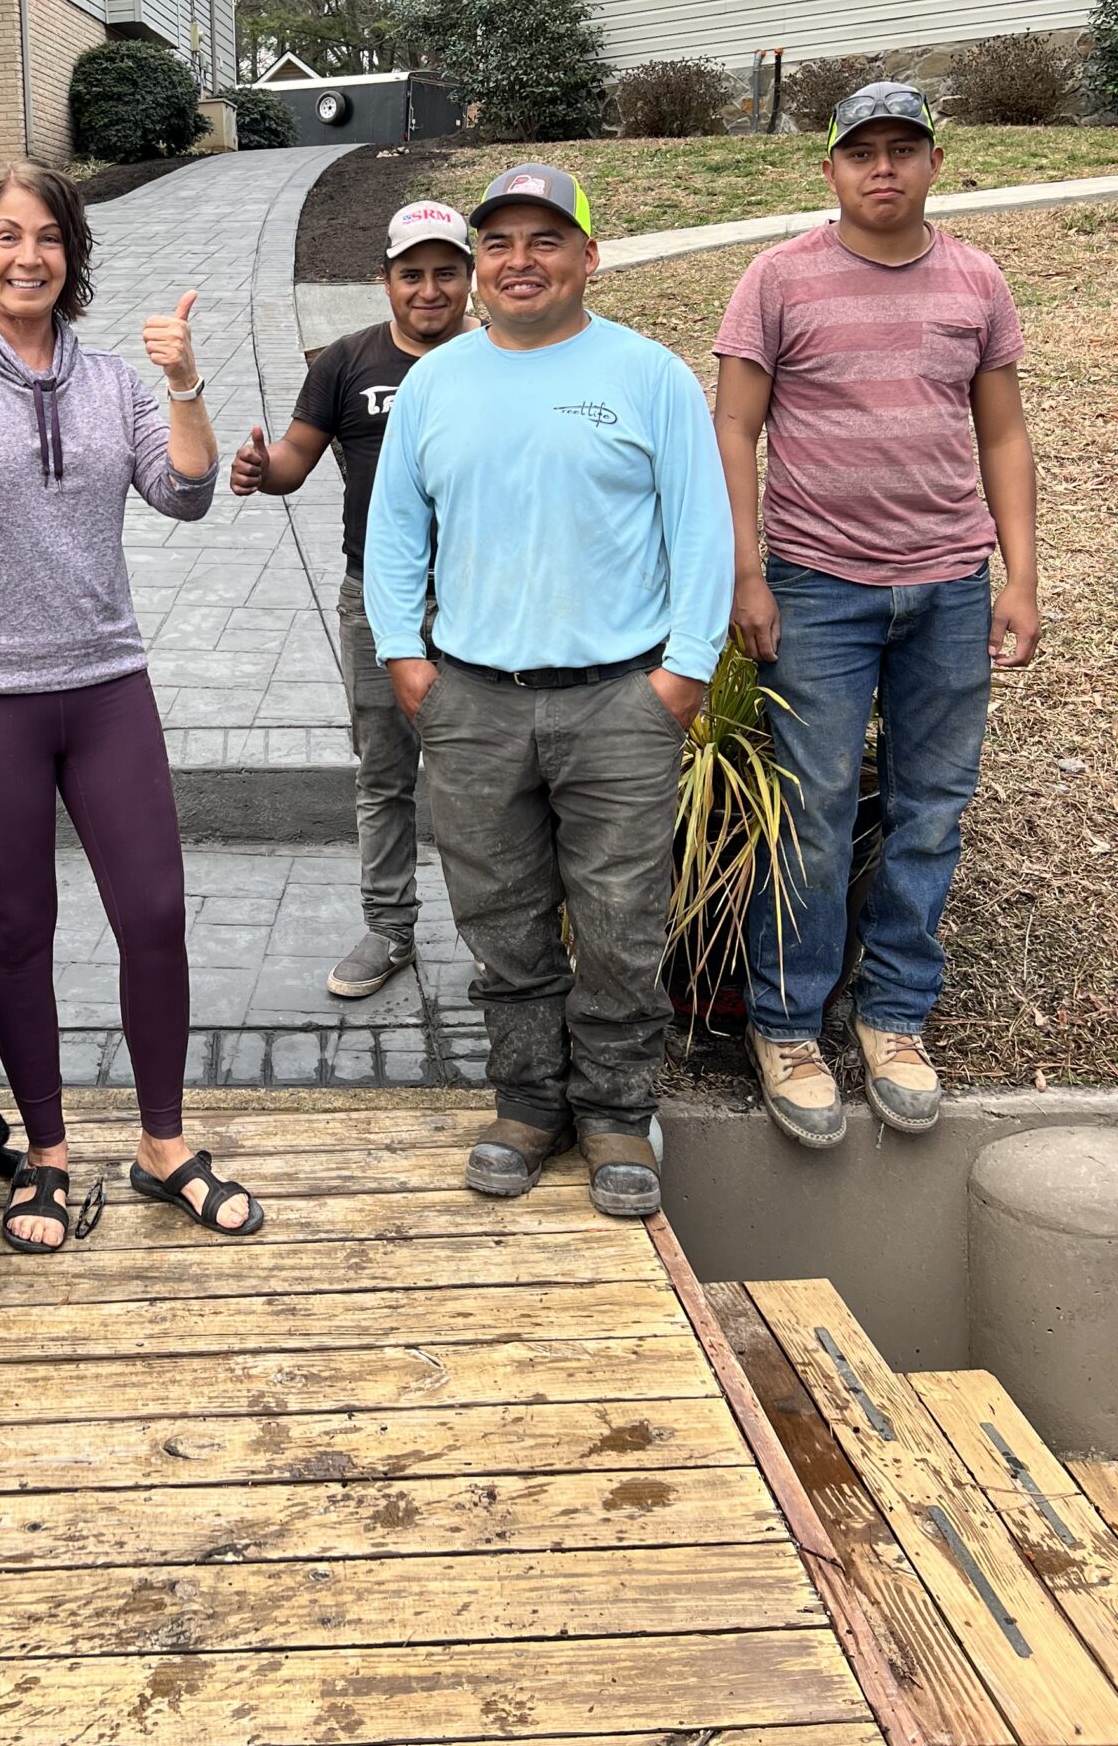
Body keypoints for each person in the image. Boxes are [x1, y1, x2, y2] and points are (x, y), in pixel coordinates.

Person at [0, 160, 263, 1252]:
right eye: (5, 236)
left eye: (47, 237)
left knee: (154, 913)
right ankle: (44, 1153)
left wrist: (183, 384)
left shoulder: (114, 381)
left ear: (71, 255)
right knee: (23, 930)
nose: (26, 255)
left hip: (104, 684)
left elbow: (182, 494)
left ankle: (163, 1144)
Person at [365, 163, 731, 1219]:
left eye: (544, 240)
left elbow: (701, 528)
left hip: (620, 699)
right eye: (499, 244)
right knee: (501, 918)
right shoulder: (438, 382)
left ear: (588, 257)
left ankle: (616, 1111)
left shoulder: (649, 374)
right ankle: (528, 1101)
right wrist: (407, 658)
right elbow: (397, 530)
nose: (518, 262)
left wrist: (683, 672)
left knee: (621, 920)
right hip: (472, 701)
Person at [714, 81, 1040, 1147]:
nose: (884, 168)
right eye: (864, 152)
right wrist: (746, 572)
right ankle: (788, 1022)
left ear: (936, 163)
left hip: (948, 585)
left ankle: (894, 1014)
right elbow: (734, 431)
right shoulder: (778, 280)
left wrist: (1019, 574)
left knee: (931, 807)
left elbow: (1002, 437)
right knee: (808, 816)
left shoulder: (976, 280)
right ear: (832, 172)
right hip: (817, 584)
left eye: (906, 149)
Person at [229, 201, 477, 998]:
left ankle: (500, 941)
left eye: (446, 272)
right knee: (383, 772)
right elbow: (294, 465)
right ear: (386, 281)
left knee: (486, 779)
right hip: (377, 596)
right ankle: (390, 928)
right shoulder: (345, 361)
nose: (430, 290)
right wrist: (256, 470)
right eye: (413, 274)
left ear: (470, 278)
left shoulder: (500, 359)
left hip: (487, 602)